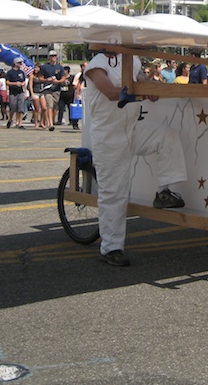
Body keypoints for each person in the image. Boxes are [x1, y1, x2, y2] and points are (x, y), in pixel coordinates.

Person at [84, 44, 187, 267]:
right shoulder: (96, 66)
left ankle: (164, 192)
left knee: (167, 136)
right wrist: (142, 89)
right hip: (108, 137)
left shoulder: (133, 61)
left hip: (132, 128)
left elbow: (142, 81)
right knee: (114, 194)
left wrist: (152, 88)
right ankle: (110, 248)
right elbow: (112, 92)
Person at [39, 49, 66, 130]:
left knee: (54, 107)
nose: (53, 57)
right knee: (49, 105)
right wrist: (47, 80)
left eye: (54, 56)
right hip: (47, 89)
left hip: (56, 89)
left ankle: (51, 121)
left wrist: (57, 81)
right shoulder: (44, 67)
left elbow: (63, 78)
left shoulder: (59, 67)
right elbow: (40, 78)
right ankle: (50, 123)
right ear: (49, 57)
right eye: (52, 56)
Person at [5, 57, 28, 129]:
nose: (21, 64)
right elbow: (7, 82)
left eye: (21, 63)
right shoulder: (10, 72)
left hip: (20, 92)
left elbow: (24, 81)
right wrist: (15, 83)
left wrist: (25, 90)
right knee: (13, 107)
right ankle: (10, 119)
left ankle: (19, 123)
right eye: (19, 63)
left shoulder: (22, 72)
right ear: (15, 63)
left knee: (20, 108)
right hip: (13, 92)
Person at [30, 64, 47, 129]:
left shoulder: (42, 76)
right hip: (35, 92)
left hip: (42, 92)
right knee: (37, 109)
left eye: (37, 68)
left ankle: (42, 122)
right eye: (35, 68)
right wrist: (32, 93)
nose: (36, 69)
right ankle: (36, 123)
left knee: (44, 108)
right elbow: (30, 85)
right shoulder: (32, 76)